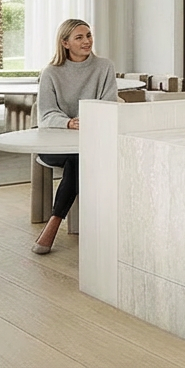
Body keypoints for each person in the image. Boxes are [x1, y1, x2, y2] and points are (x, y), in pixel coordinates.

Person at [32, 18, 117, 254]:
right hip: (54, 146)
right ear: (65, 43)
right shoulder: (51, 72)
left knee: (80, 158)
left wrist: (89, 120)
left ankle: (53, 223)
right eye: (79, 37)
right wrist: (69, 123)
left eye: (88, 35)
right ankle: (56, 221)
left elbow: (109, 104)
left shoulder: (104, 67)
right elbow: (46, 114)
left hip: (91, 143)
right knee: (78, 159)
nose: (87, 41)